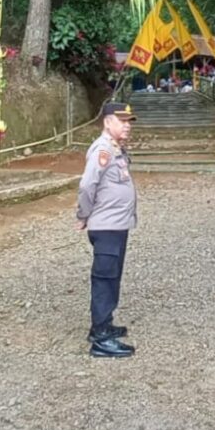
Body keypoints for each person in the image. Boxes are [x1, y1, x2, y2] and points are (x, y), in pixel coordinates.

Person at [76, 103, 139, 358]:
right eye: (122, 120)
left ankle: (103, 324)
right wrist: (83, 215)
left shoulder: (115, 149)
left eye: (129, 121)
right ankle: (101, 339)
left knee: (112, 276)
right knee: (104, 279)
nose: (127, 125)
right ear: (107, 122)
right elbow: (86, 185)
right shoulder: (102, 149)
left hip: (117, 224)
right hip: (107, 226)